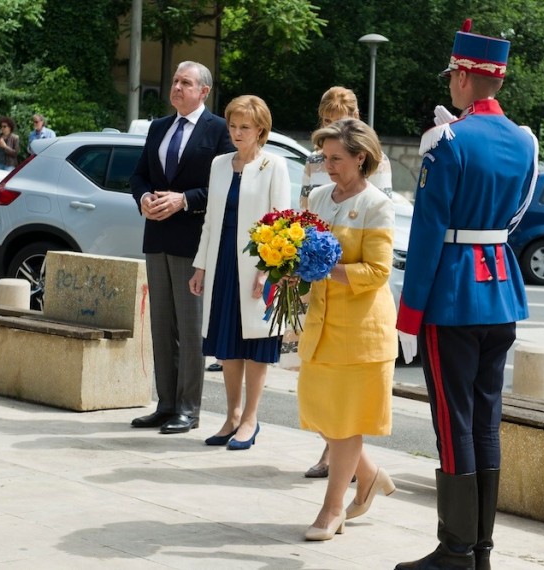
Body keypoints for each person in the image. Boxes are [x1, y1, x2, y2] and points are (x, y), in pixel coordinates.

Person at [395, 19, 539, 570]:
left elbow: (429, 233)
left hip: (453, 294)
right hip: (500, 288)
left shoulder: (447, 139)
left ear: (462, 76)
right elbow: (517, 215)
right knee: (484, 420)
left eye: (452, 74)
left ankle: (455, 551)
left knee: (453, 423)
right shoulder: (524, 140)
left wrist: (409, 315)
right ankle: (479, 548)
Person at [298, 118, 398, 541]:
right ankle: (370, 475)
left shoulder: (377, 204)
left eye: (336, 158)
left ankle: (332, 507)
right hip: (321, 325)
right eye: (324, 157)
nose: (328, 165)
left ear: (361, 157)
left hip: (360, 333)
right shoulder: (319, 196)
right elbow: (298, 245)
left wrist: (322, 267)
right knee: (322, 414)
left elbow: (377, 271)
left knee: (344, 422)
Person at [129, 61, 234, 435]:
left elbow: (223, 186)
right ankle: (166, 404)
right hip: (156, 237)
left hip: (194, 241)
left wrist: (184, 200)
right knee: (161, 326)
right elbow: (139, 174)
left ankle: (189, 409)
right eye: (174, 80)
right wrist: (143, 197)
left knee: (190, 330)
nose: (176, 87)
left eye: (185, 83)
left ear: (203, 91)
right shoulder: (159, 127)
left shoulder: (219, 130)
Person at [188, 95, 290, 450]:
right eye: (232, 125)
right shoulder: (218, 164)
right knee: (227, 344)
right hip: (221, 264)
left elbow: (281, 222)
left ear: (260, 129)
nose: (236, 132)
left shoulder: (274, 165)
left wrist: (267, 270)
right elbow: (210, 220)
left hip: (256, 267)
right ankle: (231, 416)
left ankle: (250, 419)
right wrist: (200, 265)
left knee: (255, 344)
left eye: (244, 127)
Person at [300, 86, 393, 210]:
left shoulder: (376, 159)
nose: (332, 127)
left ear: (355, 116)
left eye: (339, 121)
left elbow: (382, 209)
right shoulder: (314, 159)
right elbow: (305, 210)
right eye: (327, 120)